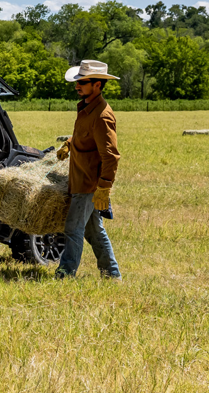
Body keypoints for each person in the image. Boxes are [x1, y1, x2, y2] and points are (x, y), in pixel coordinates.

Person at [54, 59, 122, 280]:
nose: (77, 86)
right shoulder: (87, 108)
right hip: (81, 180)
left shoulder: (102, 115)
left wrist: (103, 187)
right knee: (94, 232)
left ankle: (65, 274)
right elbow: (87, 138)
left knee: (73, 229)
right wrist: (69, 144)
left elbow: (110, 156)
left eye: (82, 82)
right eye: (77, 82)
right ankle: (112, 276)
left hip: (88, 184)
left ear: (98, 85)